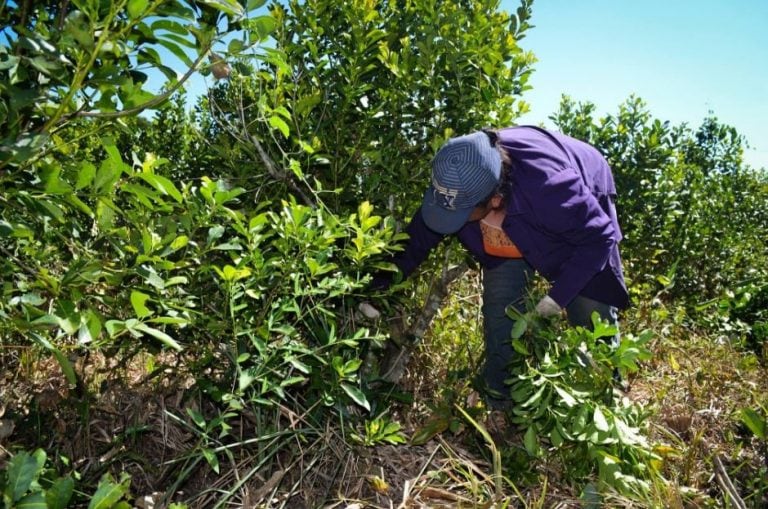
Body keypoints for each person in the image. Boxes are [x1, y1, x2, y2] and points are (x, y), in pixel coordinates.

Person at [370, 126, 630, 410]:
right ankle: (500, 402)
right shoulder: (454, 176)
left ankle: (607, 402)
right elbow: (416, 242)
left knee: (590, 306)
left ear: (494, 201)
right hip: (513, 210)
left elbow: (599, 238)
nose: (448, 220)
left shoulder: (553, 189)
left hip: (580, 187)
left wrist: (557, 299)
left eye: (458, 215)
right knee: (501, 307)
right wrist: (375, 292)